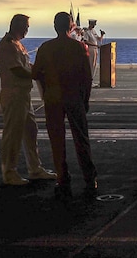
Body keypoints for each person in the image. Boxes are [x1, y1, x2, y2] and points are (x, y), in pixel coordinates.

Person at [32, 12, 97, 199]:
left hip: (53, 98)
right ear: (71, 27)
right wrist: (86, 100)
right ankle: (89, 176)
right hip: (74, 97)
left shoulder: (45, 48)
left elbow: (35, 73)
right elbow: (87, 77)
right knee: (81, 138)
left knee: (56, 140)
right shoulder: (79, 47)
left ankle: (62, 177)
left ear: (54, 26)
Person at [0, 14, 55, 185]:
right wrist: (38, 75)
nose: (27, 30)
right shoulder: (8, 46)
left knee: (31, 131)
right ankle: (9, 172)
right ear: (16, 25)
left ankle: (35, 168)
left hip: (23, 95)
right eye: (25, 26)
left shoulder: (17, 45)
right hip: (13, 94)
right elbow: (17, 70)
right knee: (12, 135)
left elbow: (26, 66)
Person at [82, 19, 104, 87]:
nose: (94, 25)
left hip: (95, 49)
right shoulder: (87, 32)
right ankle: (89, 81)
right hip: (91, 49)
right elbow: (85, 41)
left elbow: (98, 39)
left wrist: (102, 35)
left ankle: (91, 80)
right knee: (91, 65)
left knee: (94, 66)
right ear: (90, 24)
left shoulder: (93, 31)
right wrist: (95, 45)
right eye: (93, 24)